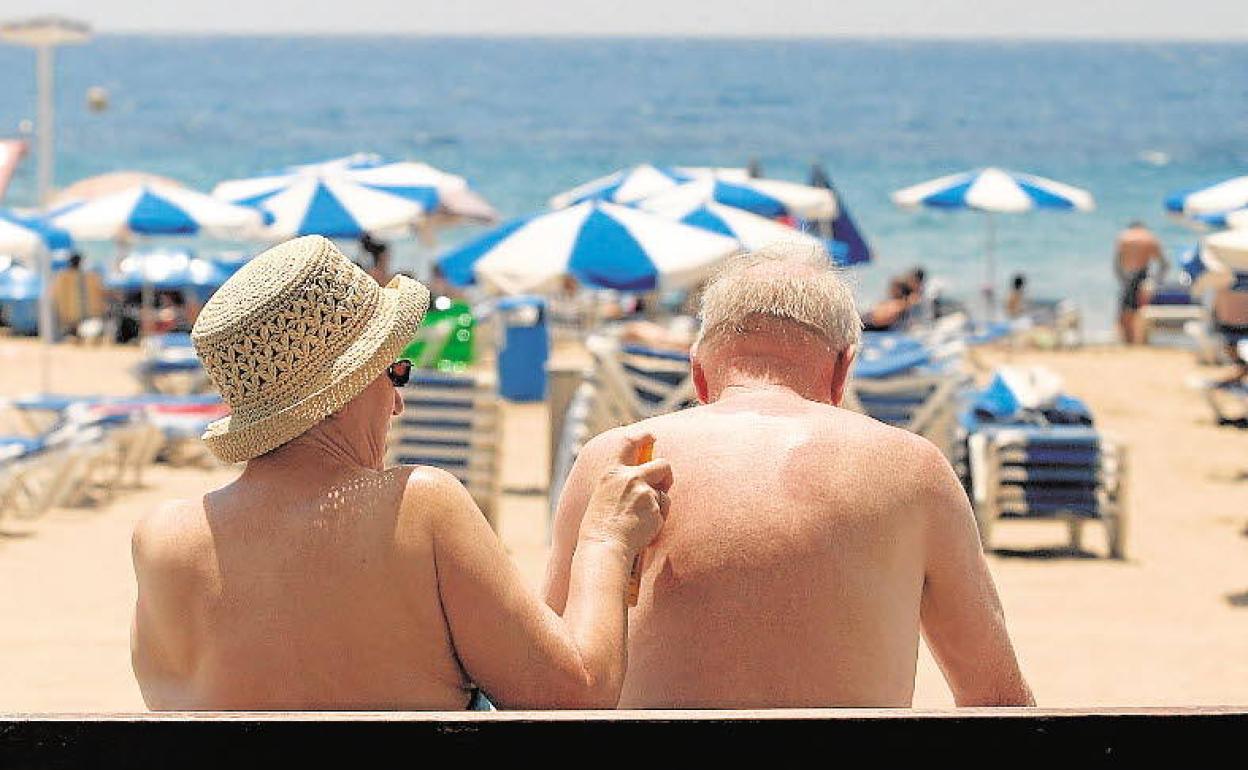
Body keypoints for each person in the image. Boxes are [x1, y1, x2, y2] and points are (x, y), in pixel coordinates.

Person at [130, 235, 672, 710]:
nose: (398, 404)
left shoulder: (160, 541)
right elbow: (574, 695)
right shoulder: (419, 505)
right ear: (340, 394)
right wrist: (605, 540)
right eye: (394, 372)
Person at [545, 242, 1034, 708]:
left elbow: (546, 683)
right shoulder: (915, 471)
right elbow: (997, 701)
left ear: (699, 376)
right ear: (843, 371)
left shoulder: (616, 464)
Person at [1114, 221, 1168, 345]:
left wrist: (1122, 280)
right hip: (1143, 276)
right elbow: (1164, 265)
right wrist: (1155, 281)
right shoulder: (1149, 238)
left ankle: (1129, 343)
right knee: (1140, 312)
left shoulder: (1124, 238)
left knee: (1125, 313)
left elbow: (1117, 265)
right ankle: (1138, 342)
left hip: (1128, 278)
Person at [50, 252, 107, 343]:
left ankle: (79, 336)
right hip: (87, 315)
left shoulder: (63, 277)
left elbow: (55, 295)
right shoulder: (90, 277)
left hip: (71, 317)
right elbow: (100, 291)